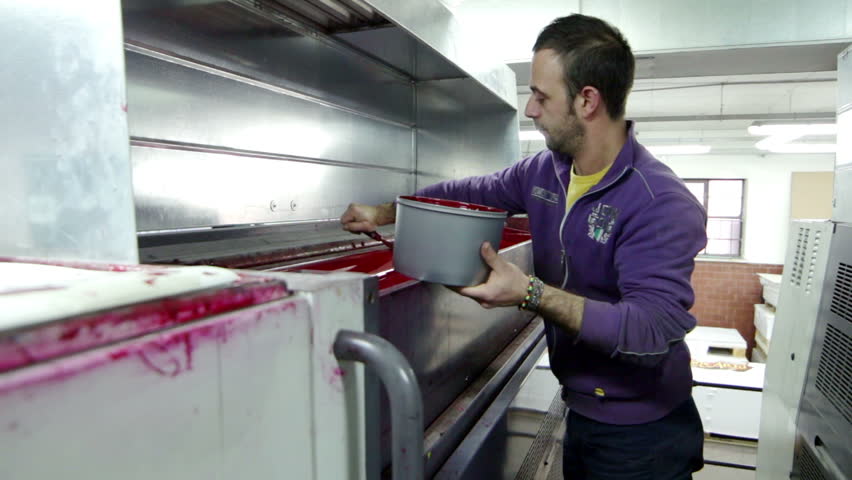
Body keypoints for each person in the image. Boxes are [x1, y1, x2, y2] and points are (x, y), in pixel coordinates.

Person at [341, 14, 707, 480]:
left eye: (540, 95)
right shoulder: (546, 171)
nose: (530, 109)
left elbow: (650, 330)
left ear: (588, 100)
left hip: (642, 434)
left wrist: (531, 294)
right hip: (584, 409)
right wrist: (385, 211)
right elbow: (469, 194)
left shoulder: (660, 203)